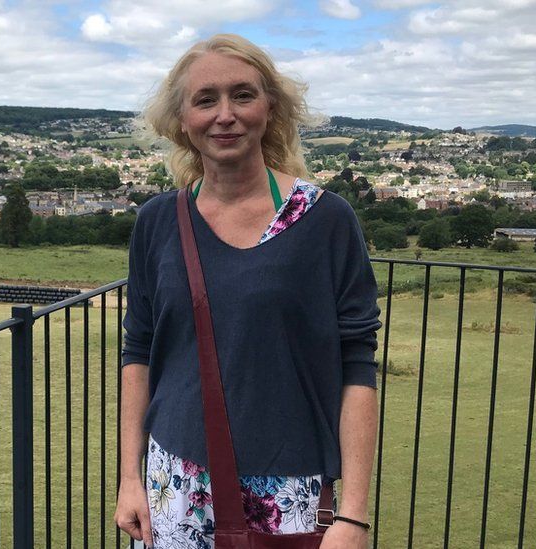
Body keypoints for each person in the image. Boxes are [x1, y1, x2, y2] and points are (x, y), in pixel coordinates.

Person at [113, 34, 381, 549]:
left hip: (289, 488)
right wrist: (131, 478)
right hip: (175, 482)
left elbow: (357, 363)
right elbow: (139, 353)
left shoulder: (326, 220)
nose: (225, 115)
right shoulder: (156, 222)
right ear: (182, 120)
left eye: (242, 95)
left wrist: (352, 517)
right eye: (205, 99)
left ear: (271, 107)